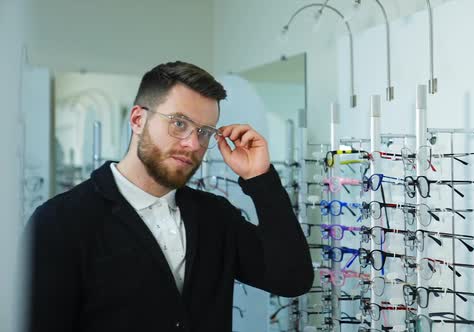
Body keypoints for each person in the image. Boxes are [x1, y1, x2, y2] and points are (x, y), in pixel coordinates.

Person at [23, 61, 314, 332]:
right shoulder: (60, 222)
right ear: (138, 119)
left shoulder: (215, 217)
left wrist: (260, 179)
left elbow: (292, 278)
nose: (192, 143)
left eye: (204, 132)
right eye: (178, 123)